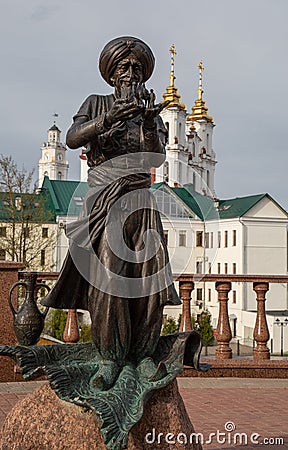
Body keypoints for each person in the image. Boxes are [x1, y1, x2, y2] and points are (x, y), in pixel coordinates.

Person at [42, 36, 181, 390]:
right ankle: (110, 358)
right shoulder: (97, 102)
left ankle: (144, 355)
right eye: (124, 67)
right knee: (109, 279)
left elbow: (158, 157)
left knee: (150, 281)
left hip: (141, 202)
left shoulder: (150, 110)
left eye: (137, 67)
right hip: (106, 201)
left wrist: (150, 124)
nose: (131, 73)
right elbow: (73, 138)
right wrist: (107, 119)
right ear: (112, 73)